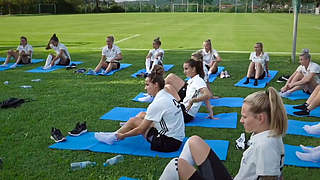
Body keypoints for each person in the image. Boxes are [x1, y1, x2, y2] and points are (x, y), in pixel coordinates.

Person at [160, 87, 288, 180]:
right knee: (194, 141)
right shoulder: (269, 135)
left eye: (244, 117)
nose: (241, 120)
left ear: (260, 118)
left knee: (177, 165)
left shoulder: (265, 145)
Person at [95, 72, 185, 152]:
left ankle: (114, 137)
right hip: (177, 137)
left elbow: (140, 130)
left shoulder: (157, 103)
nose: (145, 88)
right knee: (142, 115)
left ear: (156, 85)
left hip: (167, 143)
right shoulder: (166, 94)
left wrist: (123, 136)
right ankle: (116, 132)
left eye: (147, 85)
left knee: (133, 121)